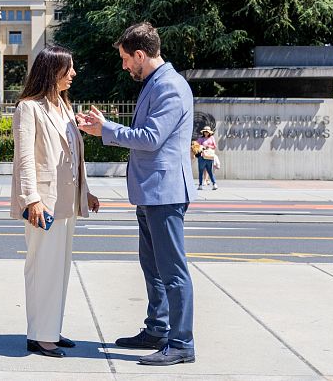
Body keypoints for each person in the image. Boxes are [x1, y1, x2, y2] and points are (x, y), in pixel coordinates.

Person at [77, 22, 196, 366]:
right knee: (153, 267)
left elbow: (150, 138)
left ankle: (182, 342)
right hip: (151, 192)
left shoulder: (170, 86)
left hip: (165, 192)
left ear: (140, 55)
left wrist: (106, 130)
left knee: (172, 270)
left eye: (126, 59)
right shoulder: (155, 83)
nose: (125, 66)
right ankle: (158, 329)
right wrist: (106, 126)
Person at [10, 45, 100, 358]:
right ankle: (38, 335)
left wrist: (85, 191)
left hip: (67, 201)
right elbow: (24, 159)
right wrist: (31, 199)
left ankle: (51, 329)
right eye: (69, 68)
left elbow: (74, 155)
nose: (74, 74)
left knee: (59, 268)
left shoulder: (63, 106)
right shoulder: (28, 107)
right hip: (44, 202)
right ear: (53, 71)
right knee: (42, 268)